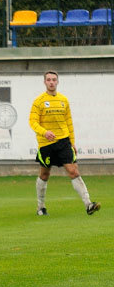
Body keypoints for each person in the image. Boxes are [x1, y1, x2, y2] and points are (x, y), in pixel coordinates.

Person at [30, 71, 100, 216]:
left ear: (57, 82)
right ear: (44, 82)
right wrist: (45, 132)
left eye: (54, 80)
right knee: (44, 175)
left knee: (74, 171)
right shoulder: (39, 101)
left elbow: (68, 122)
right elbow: (33, 122)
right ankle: (41, 207)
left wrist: (72, 142)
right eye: (48, 79)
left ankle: (88, 204)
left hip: (63, 142)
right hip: (46, 144)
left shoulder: (64, 100)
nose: (51, 82)